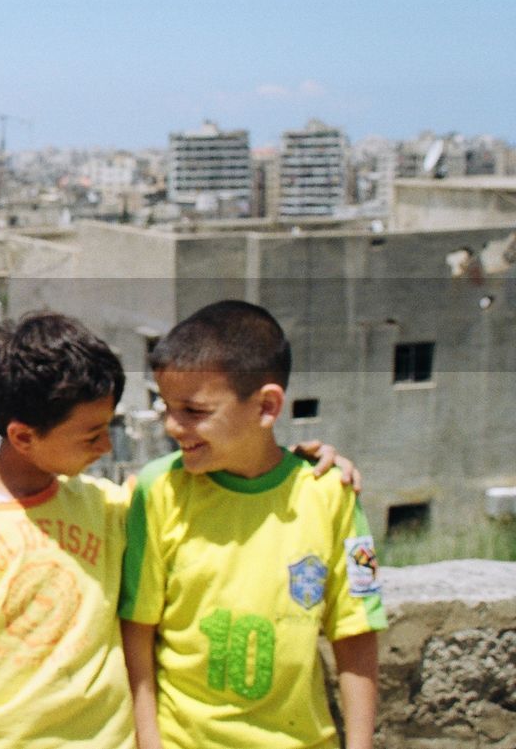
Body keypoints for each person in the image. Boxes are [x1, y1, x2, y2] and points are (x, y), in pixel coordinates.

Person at [0, 312, 358, 748]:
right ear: (24, 437)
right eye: (91, 435)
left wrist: (302, 463)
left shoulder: (105, 507)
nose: (107, 446)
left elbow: (215, 476)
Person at [119, 300, 385, 749]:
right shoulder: (158, 491)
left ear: (266, 406)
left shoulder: (330, 494)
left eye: (194, 411)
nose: (171, 425)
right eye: (165, 406)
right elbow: (137, 635)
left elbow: (355, 632)